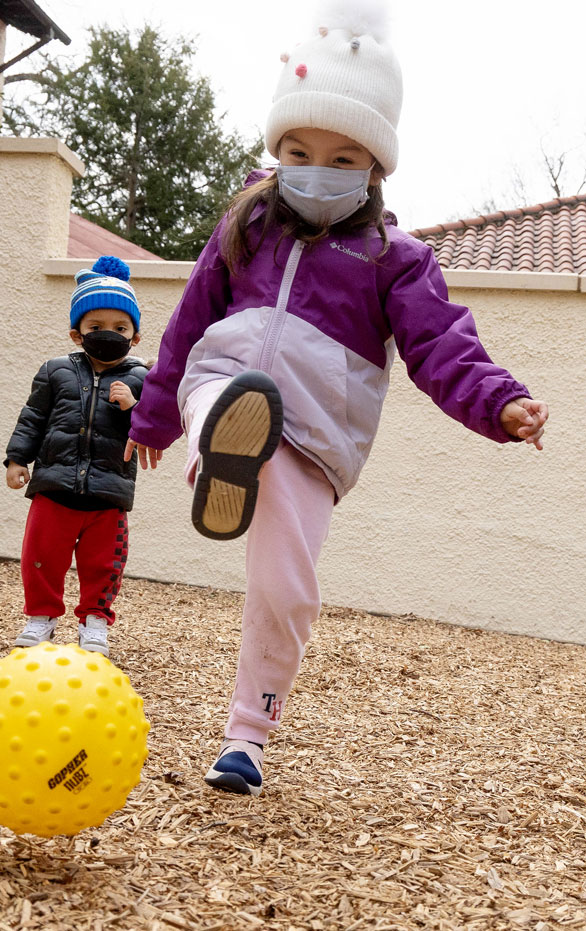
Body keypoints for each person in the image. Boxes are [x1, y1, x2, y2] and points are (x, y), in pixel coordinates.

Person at [126, 1, 548, 797]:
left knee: (286, 588)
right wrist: (154, 409)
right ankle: (219, 449)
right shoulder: (247, 221)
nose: (315, 165)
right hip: (227, 382)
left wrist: (499, 403)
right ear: (275, 148)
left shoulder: (396, 258)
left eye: (342, 154)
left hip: (315, 442)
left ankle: (247, 732)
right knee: (223, 393)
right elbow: (189, 319)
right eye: (297, 149)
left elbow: (440, 345)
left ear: (377, 166)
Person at [5, 256, 148, 657]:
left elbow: (151, 430)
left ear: (135, 336)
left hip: (108, 492)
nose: (109, 334)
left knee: (104, 564)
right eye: (96, 327)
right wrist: (18, 459)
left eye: (120, 328)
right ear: (76, 333)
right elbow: (32, 417)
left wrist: (133, 405)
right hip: (54, 485)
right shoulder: (55, 371)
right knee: (41, 557)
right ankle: (40, 617)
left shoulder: (140, 379)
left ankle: (95, 623)